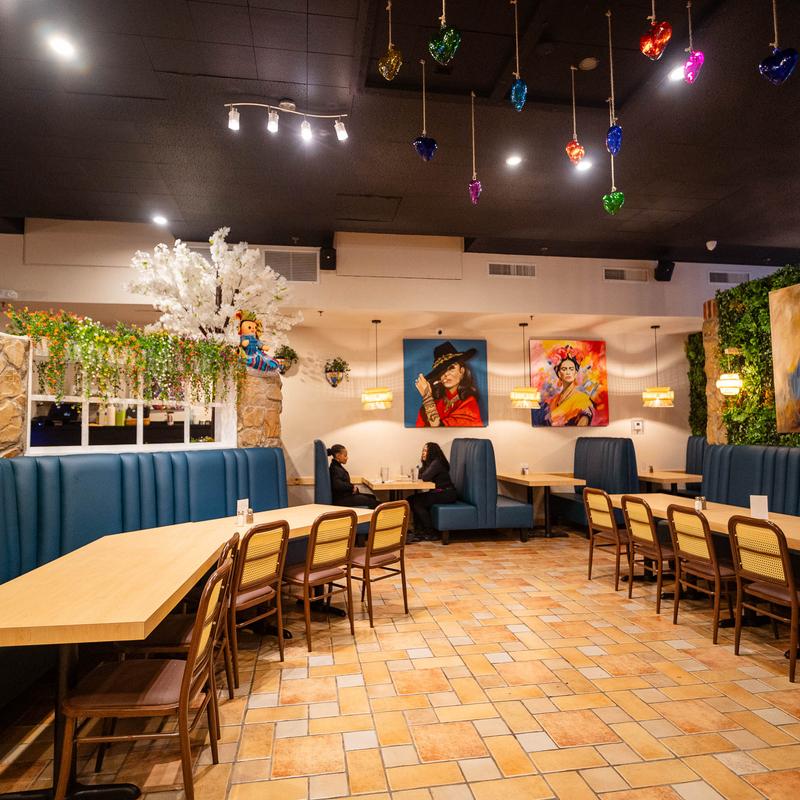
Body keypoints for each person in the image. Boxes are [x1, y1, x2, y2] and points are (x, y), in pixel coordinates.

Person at [415, 341, 484, 427]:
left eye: (451, 368)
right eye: (442, 371)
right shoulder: (435, 402)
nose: (446, 374)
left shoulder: (469, 403)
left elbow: (440, 429)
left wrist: (427, 396)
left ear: (461, 371)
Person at [409, 442, 458, 541]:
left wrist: (420, 473)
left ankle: (430, 533)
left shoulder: (437, 463)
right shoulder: (431, 463)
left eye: (426, 451)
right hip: (440, 492)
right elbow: (420, 474)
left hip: (446, 493)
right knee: (411, 499)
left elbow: (425, 477)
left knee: (417, 502)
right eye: (423, 450)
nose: (423, 453)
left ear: (431, 452)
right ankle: (419, 531)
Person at [540, 347, 594, 427]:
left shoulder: (582, 398)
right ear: (559, 374)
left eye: (571, 369)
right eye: (564, 369)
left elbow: (582, 427)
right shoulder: (555, 400)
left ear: (575, 373)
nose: (568, 372)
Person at [328, 444, 377, 509]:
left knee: (372, 497)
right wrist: (352, 487)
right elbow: (337, 485)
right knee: (372, 502)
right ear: (338, 456)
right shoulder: (335, 468)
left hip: (345, 496)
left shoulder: (336, 466)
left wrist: (353, 488)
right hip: (341, 500)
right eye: (345, 455)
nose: (347, 458)